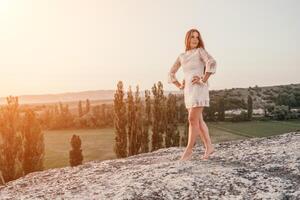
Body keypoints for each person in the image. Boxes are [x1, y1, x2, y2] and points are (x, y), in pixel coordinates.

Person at [168, 28, 217, 160]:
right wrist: (179, 85)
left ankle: (189, 151)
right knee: (199, 121)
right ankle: (209, 147)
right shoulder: (182, 56)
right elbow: (171, 73)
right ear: (187, 39)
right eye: (192, 37)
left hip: (199, 89)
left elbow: (211, 62)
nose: (195, 39)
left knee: (192, 119)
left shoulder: (200, 51)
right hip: (188, 91)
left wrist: (203, 79)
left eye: (197, 37)